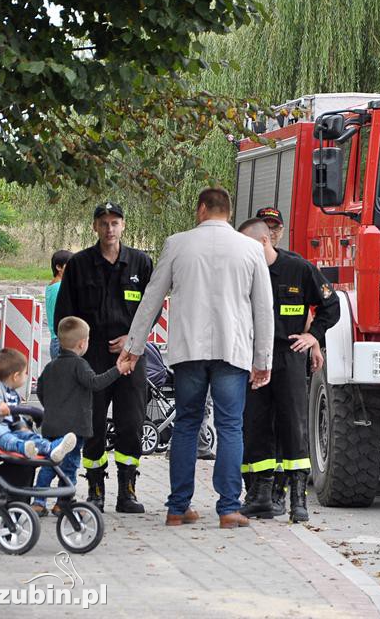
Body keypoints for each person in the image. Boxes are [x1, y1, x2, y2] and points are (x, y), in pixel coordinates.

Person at [118, 188, 273, 530]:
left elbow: (152, 297)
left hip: (188, 350)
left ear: (202, 208)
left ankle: (177, 507)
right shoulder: (250, 249)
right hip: (232, 351)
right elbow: (263, 308)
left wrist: (134, 345)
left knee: (186, 424)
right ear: (228, 213)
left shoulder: (177, 244)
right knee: (230, 425)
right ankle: (229, 509)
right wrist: (264, 359)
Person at [53, 202, 154, 514]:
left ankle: (128, 490)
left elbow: (152, 309)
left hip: (131, 357)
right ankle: (95, 489)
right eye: (104, 223)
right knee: (93, 425)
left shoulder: (141, 263)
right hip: (91, 357)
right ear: (95, 227)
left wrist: (133, 340)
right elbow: (64, 315)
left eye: (115, 223)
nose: (110, 229)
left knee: (132, 424)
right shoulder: (81, 265)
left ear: (123, 225)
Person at [237, 218, 339, 523]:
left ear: (264, 242)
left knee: (293, 426)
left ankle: (297, 500)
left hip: (288, 356)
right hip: (253, 358)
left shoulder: (298, 269)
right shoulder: (244, 273)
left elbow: (330, 306)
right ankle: (261, 494)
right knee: (255, 425)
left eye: (246, 245)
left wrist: (313, 337)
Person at [32, 317, 131, 516]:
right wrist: (117, 370)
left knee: (49, 463)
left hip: (51, 427)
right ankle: (64, 502)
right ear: (82, 343)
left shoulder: (50, 367)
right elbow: (95, 383)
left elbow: (41, 391)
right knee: (69, 465)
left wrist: (51, 409)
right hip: (74, 429)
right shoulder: (80, 365)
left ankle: (38, 501)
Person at [0, 348, 77, 463]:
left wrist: (22, 424)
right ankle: (23, 447)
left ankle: (51, 448)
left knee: (29, 435)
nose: (26, 376)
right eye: (25, 373)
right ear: (16, 376)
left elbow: (15, 415)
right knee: (1, 433)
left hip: (11, 427)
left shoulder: (13, 393)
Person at [45, 250, 73, 360]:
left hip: (56, 340)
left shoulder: (52, 286)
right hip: (62, 341)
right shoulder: (60, 287)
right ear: (59, 267)